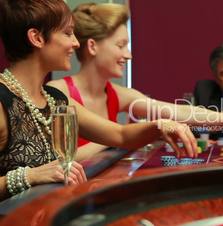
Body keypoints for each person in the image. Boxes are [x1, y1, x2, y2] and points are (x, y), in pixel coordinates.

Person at [0, 0, 200, 200]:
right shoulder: (3, 100)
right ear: (37, 38)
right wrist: (29, 175)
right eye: (68, 33)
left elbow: (120, 134)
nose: (76, 43)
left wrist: (159, 126)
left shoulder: (55, 100)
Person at [48, 3, 223, 160]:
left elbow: (182, 113)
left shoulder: (120, 94)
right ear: (92, 47)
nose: (129, 55)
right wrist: (122, 136)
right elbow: (58, 160)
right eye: (120, 46)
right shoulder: (56, 93)